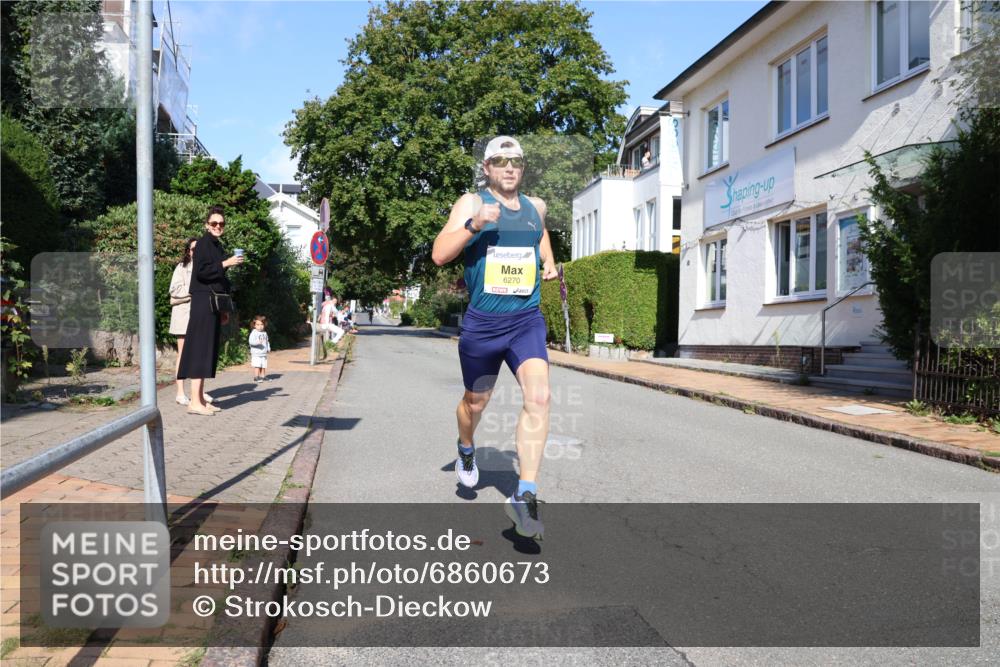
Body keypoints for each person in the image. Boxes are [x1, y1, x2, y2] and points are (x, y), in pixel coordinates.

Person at [431, 135, 557, 540]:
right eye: (500, 161)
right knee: (475, 402)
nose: (509, 168)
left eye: (515, 161)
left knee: (539, 398)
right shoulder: (471, 203)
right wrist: (474, 225)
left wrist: (549, 264)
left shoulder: (536, 208)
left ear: (522, 168)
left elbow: (541, 241)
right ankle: (466, 448)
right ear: (487, 168)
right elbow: (439, 254)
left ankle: (526, 493)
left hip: (526, 320)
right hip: (483, 323)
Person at [177, 205, 244, 416]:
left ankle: (200, 400)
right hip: (202, 302)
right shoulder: (203, 244)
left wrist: (224, 309)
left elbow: (218, 279)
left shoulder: (215, 245)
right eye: (214, 223)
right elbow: (202, 273)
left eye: (221, 224)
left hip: (212, 304)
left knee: (207, 350)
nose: (218, 226)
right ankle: (194, 403)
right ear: (207, 225)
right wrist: (226, 263)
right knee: (199, 350)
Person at [248, 315, 271, 383]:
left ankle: (263, 376)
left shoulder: (264, 333)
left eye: (261, 324)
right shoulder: (254, 333)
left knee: (263, 365)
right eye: (258, 324)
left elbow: (267, 341)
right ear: (254, 325)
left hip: (263, 353)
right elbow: (251, 342)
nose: (260, 326)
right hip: (256, 353)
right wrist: (258, 342)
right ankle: (256, 377)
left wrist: (268, 347)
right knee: (257, 365)